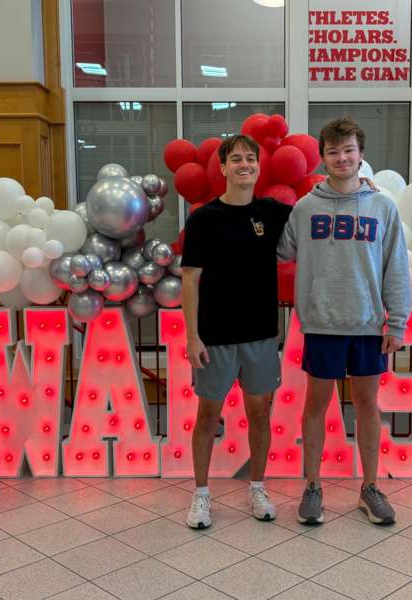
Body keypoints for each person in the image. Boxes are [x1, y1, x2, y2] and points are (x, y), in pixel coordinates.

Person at [277, 117, 411, 525]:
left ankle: (369, 488)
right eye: (333, 151)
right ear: (323, 158)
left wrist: (397, 322)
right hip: (321, 324)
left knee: (368, 406)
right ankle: (313, 486)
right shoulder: (305, 208)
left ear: (361, 155)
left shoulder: (382, 206)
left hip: (369, 325)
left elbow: (397, 268)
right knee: (316, 405)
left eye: (348, 150)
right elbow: (279, 253)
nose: (341, 158)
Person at [180, 134, 292, 529]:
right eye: (236, 159)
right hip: (215, 336)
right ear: (223, 168)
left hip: (261, 334)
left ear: (258, 167)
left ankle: (257, 486)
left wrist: (361, 186)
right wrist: (192, 336)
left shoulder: (274, 213)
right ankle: (201, 494)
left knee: (260, 414)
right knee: (208, 416)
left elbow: (317, 212)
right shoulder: (203, 219)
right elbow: (190, 280)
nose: (245, 164)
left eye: (251, 158)